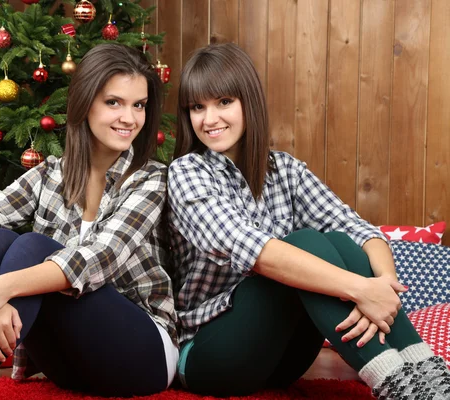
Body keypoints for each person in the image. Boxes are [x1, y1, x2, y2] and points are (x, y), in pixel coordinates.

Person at [0, 43, 179, 400]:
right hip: (67, 364)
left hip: (141, 356)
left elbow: (99, 258)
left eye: (139, 105)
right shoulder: (50, 173)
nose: (129, 118)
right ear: (84, 103)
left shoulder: (150, 179)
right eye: (113, 102)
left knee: (32, 246)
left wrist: (2, 287)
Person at [166, 43, 449, 399]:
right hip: (213, 356)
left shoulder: (285, 170)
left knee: (342, 242)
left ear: (248, 102)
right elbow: (252, 249)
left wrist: (385, 288)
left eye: (223, 102)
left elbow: (357, 229)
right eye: (197, 107)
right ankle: (399, 384)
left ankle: (427, 375)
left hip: (283, 357)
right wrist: (360, 289)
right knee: (303, 243)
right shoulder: (187, 172)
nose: (210, 119)